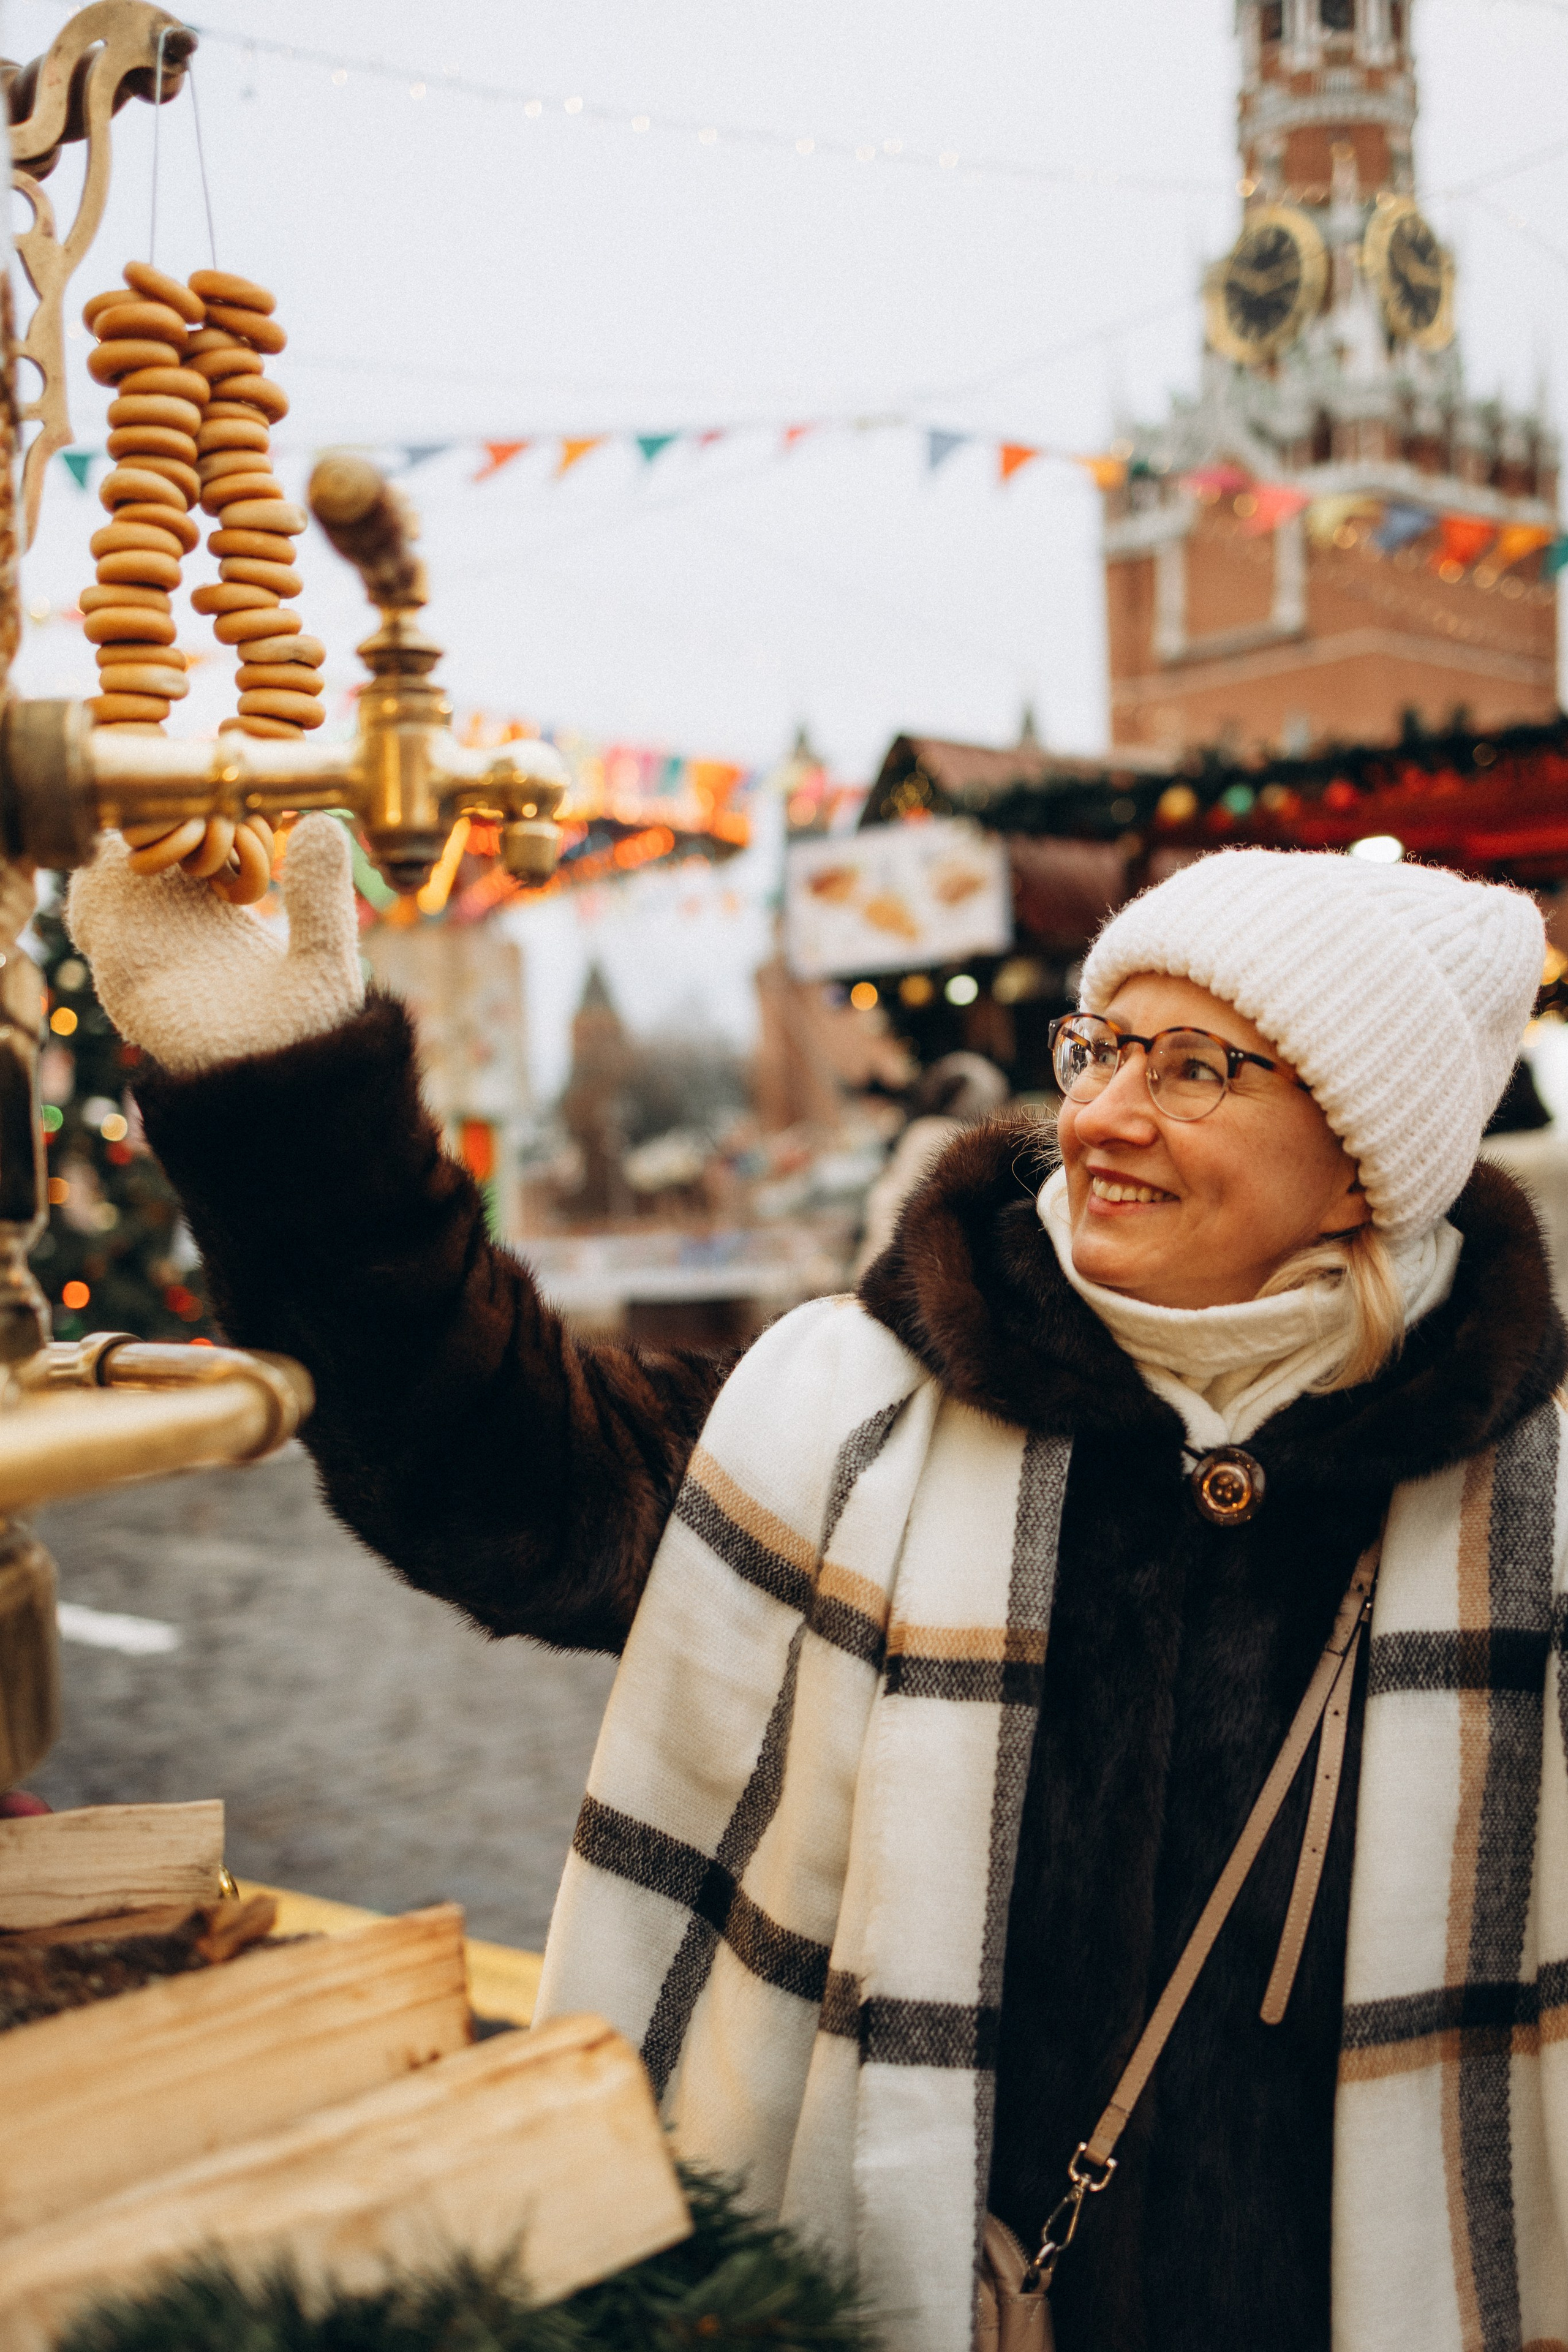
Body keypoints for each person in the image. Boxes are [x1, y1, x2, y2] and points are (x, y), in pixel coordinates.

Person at [68, 830, 1568, 2352]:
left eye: (1195, 1069)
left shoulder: (1532, 1504)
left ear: (1360, 1160)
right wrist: (286, 1105)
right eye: (1101, 1046)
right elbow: (505, 1480)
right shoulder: (860, 1403)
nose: (1102, 1115)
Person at [852, 1050, 1010, 1280]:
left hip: (898, 1268)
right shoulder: (940, 1137)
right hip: (902, 1267)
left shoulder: (930, 1134)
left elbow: (888, 1203)